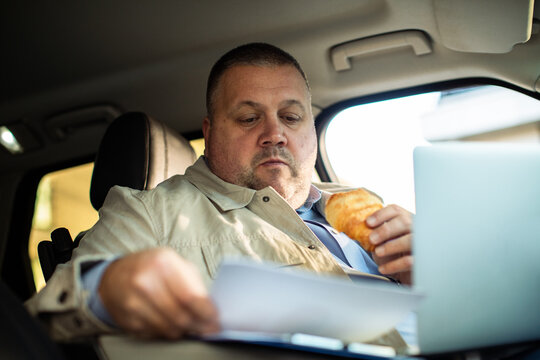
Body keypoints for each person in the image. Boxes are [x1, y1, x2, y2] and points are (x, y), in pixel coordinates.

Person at [26, 43, 413, 341]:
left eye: (291, 117)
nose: (274, 134)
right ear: (209, 134)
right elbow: (48, 315)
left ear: (310, 130)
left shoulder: (364, 203)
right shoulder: (149, 212)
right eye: (248, 118)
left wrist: (434, 271)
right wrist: (107, 289)